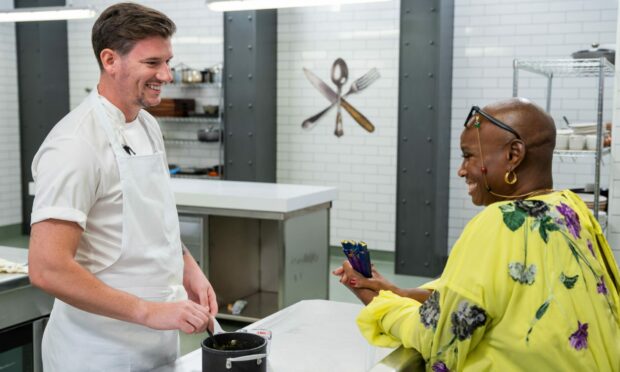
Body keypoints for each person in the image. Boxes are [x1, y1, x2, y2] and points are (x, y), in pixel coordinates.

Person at [334, 98, 620, 371]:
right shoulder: (571, 208)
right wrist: (401, 294)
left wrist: (379, 304)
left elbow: (440, 339)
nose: (462, 170)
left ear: (513, 154)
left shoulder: (499, 223)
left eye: (469, 156)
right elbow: (500, 293)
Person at [28, 3, 217, 370]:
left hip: (157, 346)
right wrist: (148, 312)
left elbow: (148, 218)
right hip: (97, 354)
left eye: (168, 61)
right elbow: (47, 268)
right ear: (110, 60)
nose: (166, 74)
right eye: (152, 63)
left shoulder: (147, 126)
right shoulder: (74, 144)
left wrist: (187, 266)